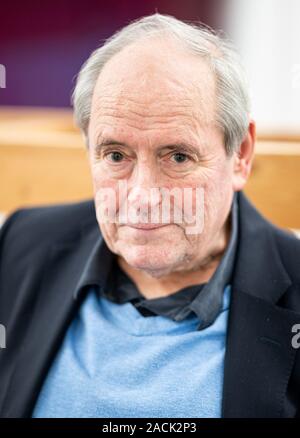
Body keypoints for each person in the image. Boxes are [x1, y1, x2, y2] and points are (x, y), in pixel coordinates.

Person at [0, 13, 299, 418]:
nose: (142, 197)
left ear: (240, 155)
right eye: (116, 156)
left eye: (177, 156)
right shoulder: (21, 244)